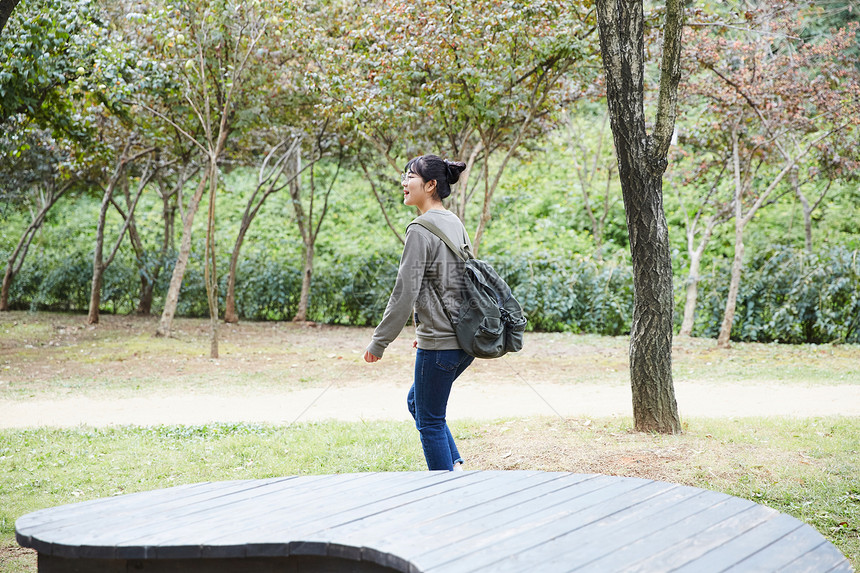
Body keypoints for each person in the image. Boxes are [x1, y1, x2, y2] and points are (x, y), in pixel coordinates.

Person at [363, 154, 473, 471]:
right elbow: (459, 284)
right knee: (420, 404)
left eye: (410, 176)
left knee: (430, 420)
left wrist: (379, 343)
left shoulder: (420, 229)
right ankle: (457, 469)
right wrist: (427, 323)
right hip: (464, 342)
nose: (404, 182)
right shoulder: (454, 222)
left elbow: (404, 292)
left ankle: (447, 490)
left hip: (440, 344)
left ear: (430, 184)